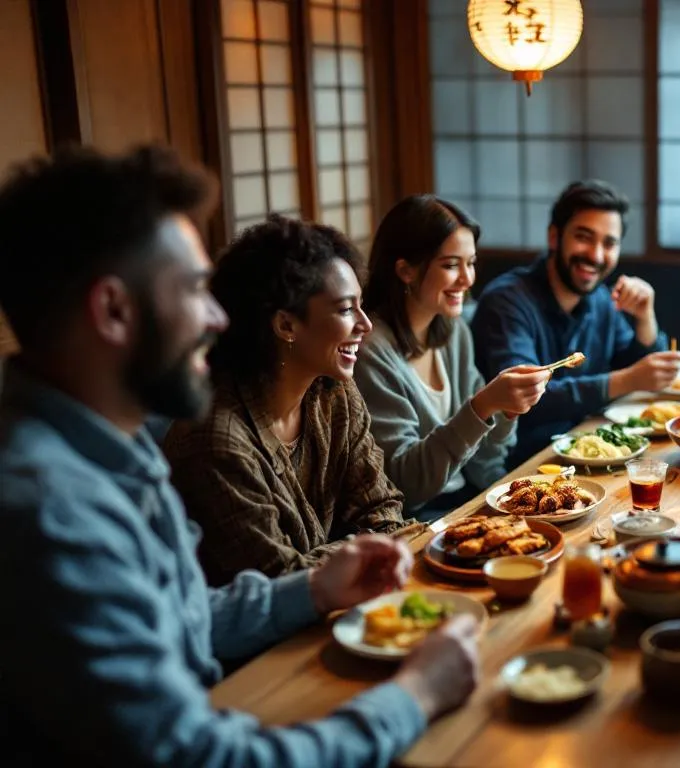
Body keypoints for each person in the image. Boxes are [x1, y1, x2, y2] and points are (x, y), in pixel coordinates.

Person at [0, 145, 478, 766]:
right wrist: (414, 695)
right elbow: (202, 756)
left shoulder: (108, 453)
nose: (219, 317)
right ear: (113, 310)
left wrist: (311, 589)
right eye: (196, 290)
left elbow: (183, 620)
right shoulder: (51, 511)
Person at [163, 215, 416, 585]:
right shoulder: (217, 441)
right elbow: (280, 581)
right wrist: (366, 549)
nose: (366, 325)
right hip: (264, 639)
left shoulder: (332, 392)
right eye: (346, 309)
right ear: (286, 325)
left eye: (362, 306)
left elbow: (382, 506)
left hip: (341, 600)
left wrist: (361, 548)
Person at [355, 195, 550, 519]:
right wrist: (483, 406)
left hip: (470, 499)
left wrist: (506, 413)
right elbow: (406, 484)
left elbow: (486, 461)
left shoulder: (452, 331)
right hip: (415, 518)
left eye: (471, 262)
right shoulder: (371, 351)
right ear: (405, 270)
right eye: (450, 265)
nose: (467, 278)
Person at [471, 179, 680, 463]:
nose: (596, 255)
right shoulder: (506, 301)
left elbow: (641, 371)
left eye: (609, 243)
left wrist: (645, 317)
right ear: (554, 236)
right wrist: (627, 380)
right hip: (520, 464)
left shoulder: (600, 299)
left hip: (588, 450)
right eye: (584, 237)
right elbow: (524, 397)